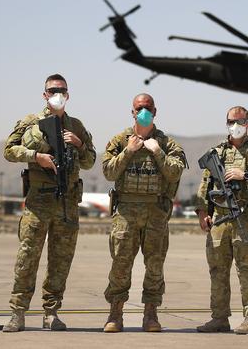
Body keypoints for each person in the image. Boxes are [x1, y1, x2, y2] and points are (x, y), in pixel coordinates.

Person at [1, 74, 96, 332]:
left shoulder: (76, 125)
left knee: (61, 260)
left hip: (67, 203)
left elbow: (90, 161)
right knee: (27, 257)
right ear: (44, 94)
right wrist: (36, 156)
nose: (57, 93)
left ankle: (51, 312)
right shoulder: (31, 122)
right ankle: (17, 312)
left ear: (68, 94)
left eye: (62, 90)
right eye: (52, 90)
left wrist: (79, 144)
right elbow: (9, 150)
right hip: (39, 201)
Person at [101, 93, 186, 333]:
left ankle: (151, 314)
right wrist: (128, 151)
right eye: (139, 108)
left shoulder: (167, 144)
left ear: (155, 111)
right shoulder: (119, 141)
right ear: (132, 112)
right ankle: (115, 314)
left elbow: (175, 173)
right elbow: (108, 172)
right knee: (120, 264)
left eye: (147, 108)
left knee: (155, 266)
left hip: (155, 213)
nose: (143, 112)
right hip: (126, 213)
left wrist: (157, 151)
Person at [195, 106, 248, 335]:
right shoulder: (218, 151)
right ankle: (219, 317)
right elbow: (206, 184)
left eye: (240, 121)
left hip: (247, 219)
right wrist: (203, 212)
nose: (235, 125)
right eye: (231, 121)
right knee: (217, 271)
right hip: (220, 219)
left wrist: (244, 176)